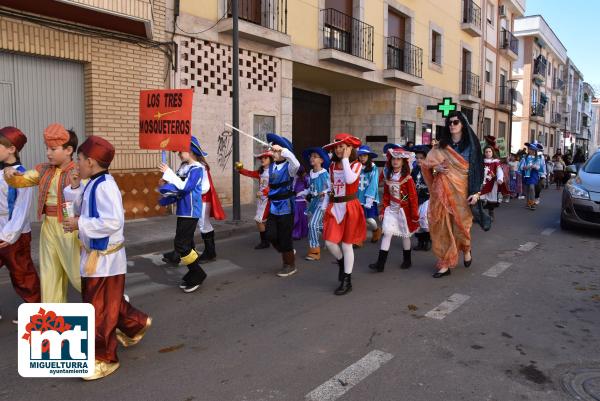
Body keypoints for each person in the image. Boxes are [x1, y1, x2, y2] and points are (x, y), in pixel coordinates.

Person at [62, 136, 151, 381]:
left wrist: (80, 222)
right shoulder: (92, 182)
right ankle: (136, 323)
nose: (76, 164)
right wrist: (76, 187)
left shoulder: (105, 186)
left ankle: (104, 358)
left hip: (105, 260)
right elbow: (82, 204)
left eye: (78, 160)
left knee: (98, 310)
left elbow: (113, 222)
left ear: (90, 162)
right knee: (108, 303)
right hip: (96, 257)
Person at [4, 123, 81, 302]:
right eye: (47, 148)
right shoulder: (44, 170)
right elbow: (21, 180)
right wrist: (11, 173)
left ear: (69, 150)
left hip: (70, 228)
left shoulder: (79, 171)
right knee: (50, 276)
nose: (48, 153)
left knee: (79, 275)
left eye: (53, 149)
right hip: (49, 228)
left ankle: (115, 313)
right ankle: (54, 323)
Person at [421, 111, 484, 278]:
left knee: (462, 226)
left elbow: (478, 170)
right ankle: (445, 262)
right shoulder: (440, 146)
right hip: (441, 193)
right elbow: (427, 165)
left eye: (456, 122)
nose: (452, 125)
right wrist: (436, 169)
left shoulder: (472, 145)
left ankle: (466, 248)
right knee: (442, 226)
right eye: (449, 122)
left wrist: (476, 192)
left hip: (463, 192)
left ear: (462, 124)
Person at [0, 127, 40, 323]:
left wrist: (8, 235)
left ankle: (33, 311)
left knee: (22, 272)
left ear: (11, 149)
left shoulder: (22, 175)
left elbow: (22, 210)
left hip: (15, 233)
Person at [158, 137, 209, 293]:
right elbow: (178, 187)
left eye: (181, 150)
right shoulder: (184, 167)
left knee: (181, 244)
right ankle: (193, 272)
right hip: (183, 210)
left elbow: (186, 187)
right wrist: (165, 185)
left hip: (191, 211)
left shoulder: (197, 169)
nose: (179, 153)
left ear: (192, 151)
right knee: (183, 243)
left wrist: (169, 173)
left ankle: (197, 273)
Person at [322, 133, 365, 295]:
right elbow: (331, 186)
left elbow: (349, 180)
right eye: (337, 147)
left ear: (350, 148)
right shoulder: (332, 166)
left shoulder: (356, 165)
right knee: (330, 242)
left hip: (350, 207)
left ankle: (347, 280)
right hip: (335, 206)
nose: (339, 149)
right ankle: (341, 263)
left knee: (347, 244)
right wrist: (325, 205)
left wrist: (346, 159)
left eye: (342, 146)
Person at [369, 148, 419, 272]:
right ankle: (380, 264)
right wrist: (382, 211)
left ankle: (407, 260)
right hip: (391, 210)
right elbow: (386, 195)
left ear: (403, 162)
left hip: (404, 212)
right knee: (387, 234)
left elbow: (413, 197)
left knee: (405, 235)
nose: (395, 161)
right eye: (393, 159)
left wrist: (414, 215)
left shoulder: (407, 178)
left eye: (398, 159)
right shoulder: (388, 176)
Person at [264, 133, 300, 277]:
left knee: (285, 237)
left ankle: (289, 264)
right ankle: (288, 251)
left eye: (276, 151)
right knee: (270, 234)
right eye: (273, 150)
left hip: (286, 206)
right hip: (274, 206)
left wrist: (283, 150)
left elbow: (296, 163)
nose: (273, 153)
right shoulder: (272, 166)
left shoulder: (290, 167)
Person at [235, 149, 273, 249]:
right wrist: (240, 170)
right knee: (264, 220)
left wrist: (264, 192)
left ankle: (265, 242)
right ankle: (267, 240)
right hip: (261, 199)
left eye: (265, 158)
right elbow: (250, 173)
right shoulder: (261, 171)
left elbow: (274, 186)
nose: (262, 160)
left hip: (268, 199)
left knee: (259, 220)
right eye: (261, 158)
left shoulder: (274, 171)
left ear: (271, 159)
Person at [301, 147, 331, 261]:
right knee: (319, 225)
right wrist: (304, 192)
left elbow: (330, 188)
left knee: (312, 225)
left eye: (315, 156)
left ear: (321, 160)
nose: (312, 158)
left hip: (322, 204)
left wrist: (324, 192)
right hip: (313, 203)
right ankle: (330, 237)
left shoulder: (324, 174)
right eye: (311, 156)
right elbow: (311, 187)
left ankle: (314, 251)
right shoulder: (311, 172)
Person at [357, 145, 381, 244]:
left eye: (364, 156)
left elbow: (373, 184)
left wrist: (369, 198)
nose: (362, 158)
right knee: (357, 219)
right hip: (357, 196)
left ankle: (376, 230)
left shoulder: (373, 167)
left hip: (368, 197)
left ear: (368, 156)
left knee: (369, 219)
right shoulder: (356, 166)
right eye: (360, 155)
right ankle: (358, 239)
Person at [410, 145, 432, 251]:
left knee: (424, 218)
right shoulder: (414, 170)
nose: (419, 160)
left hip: (427, 198)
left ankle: (428, 240)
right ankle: (420, 241)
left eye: (421, 158)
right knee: (416, 220)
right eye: (417, 158)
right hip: (416, 198)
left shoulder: (430, 170)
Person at [481, 145, 504, 221]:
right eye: (486, 152)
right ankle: (480, 215)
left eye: (489, 151)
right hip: (482, 183)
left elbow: (499, 171)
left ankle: (491, 213)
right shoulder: (481, 161)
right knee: (480, 198)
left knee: (491, 199)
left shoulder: (496, 162)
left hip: (492, 183)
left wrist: (500, 178)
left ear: (492, 152)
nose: (488, 153)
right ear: (484, 153)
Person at [519, 142, 543, 210]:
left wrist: (534, 166)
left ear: (534, 150)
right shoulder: (524, 157)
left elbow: (539, 167)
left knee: (532, 188)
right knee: (527, 189)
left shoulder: (537, 158)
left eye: (531, 149)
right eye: (529, 149)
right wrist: (524, 167)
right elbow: (521, 166)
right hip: (526, 174)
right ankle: (528, 202)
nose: (530, 150)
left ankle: (532, 203)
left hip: (533, 174)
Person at [292, 166, 309, 241]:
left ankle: (298, 233)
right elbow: (293, 188)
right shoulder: (295, 178)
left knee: (300, 217)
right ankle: (298, 233)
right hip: (295, 200)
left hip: (302, 200)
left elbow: (309, 188)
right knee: (297, 217)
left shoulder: (306, 178)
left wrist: (303, 193)